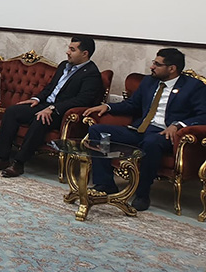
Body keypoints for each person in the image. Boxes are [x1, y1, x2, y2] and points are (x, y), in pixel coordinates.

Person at [83, 48, 206, 211]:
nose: (151, 67)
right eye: (153, 63)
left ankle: (142, 194)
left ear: (172, 68)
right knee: (98, 131)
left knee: (151, 142)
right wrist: (108, 107)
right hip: (139, 130)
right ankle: (105, 184)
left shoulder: (194, 87)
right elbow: (132, 105)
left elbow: (203, 115)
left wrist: (178, 125)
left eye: (157, 64)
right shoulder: (149, 82)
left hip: (164, 135)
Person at [0, 37, 105, 177]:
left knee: (40, 120)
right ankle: (1, 158)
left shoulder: (91, 74)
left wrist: (52, 108)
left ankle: (19, 163)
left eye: (72, 49)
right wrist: (36, 99)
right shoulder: (64, 65)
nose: (67, 52)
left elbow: (83, 100)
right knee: (12, 111)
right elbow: (50, 87)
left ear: (85, 53)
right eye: (69, 48)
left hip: (61, 112)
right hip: (44, 105)